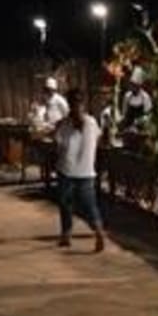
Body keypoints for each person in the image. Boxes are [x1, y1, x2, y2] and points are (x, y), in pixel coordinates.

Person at [53, 88, 106, 252]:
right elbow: (98, 138)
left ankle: (66, 233)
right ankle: (98, 231)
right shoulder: (92, 122)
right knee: (89, 205)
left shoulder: (65, 124)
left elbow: (59, 145)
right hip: (86, 171)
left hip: (67, 169)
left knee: (66, 203)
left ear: (69, 104)